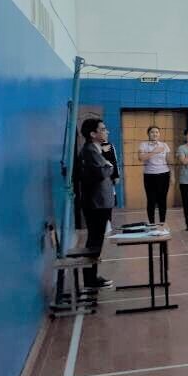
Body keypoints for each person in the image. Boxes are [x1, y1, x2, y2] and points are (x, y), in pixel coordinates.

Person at [79, 118, 116, 290]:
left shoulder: (95, 149)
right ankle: (90, 279)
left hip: (100, 202)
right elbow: (105, 171)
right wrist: (108, 163)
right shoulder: (89, 150)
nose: (106, 131)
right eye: (103, 129)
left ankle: (92, 277)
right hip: (96, 203)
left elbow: (105, 169)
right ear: (93, 134)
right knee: (94, 241)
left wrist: (107, 163)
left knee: (97, 241)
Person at [138, 125, 171, 225]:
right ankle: (152, 224)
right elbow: (141, 158)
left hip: (164, 175)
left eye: (157, 132)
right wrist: (154, 151)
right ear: (148, 134)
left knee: (162, 200)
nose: (155, 134)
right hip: (149, 176)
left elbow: (169, 161)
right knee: (151, 200)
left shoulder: (164, 145)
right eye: (152, 132)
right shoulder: (143, 145)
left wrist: (172, 175)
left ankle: (162, 223)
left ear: (159, 134)